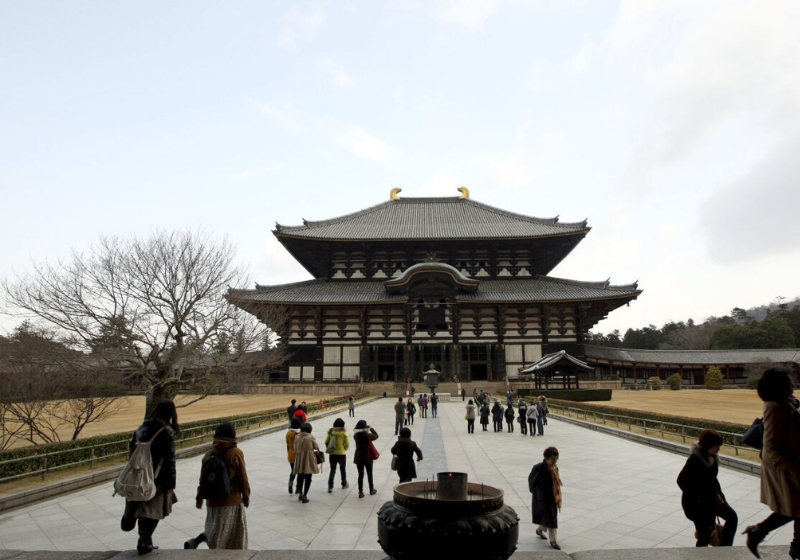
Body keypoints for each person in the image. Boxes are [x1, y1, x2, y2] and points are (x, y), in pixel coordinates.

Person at [742, 368, 800, 559]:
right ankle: (758, 531)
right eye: (788, 382)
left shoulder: (786, 403)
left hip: (790, 463)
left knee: (796, 507)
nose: (793, 384)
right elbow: (771, 445)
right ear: (780, 386)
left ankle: (795, 546)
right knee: (793, 507)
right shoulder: (774, 407)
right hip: (786, 467)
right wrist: (791, 466)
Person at [121, 399, 178, 556]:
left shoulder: (140, 429)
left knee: (141, 506)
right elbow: (170, 459)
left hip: (139, 475)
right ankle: (145, 539)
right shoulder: (166, 431)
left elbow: (132, 453)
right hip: (156, 477)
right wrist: (171, 483)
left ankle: (140, 531)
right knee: (153, 510)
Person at [186, 422, 250, 550]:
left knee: (215, 530)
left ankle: (200, 539)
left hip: (212, 501)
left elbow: (202, 480)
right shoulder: (235, 453)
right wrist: (246, 497)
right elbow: (243, 479)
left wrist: (199, 498)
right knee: (233, 535)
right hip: (231, 500)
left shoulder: (209, 454)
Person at [677, 429, 737, 547]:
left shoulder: (712, 457)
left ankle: (725, 548)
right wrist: (698, 497)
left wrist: (721, 497)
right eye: (716, 446)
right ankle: (701, 555)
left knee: (732, 517)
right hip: (697, 506)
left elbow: (713, 480)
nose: (718, 449)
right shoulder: (694, 460)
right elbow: (681, 481)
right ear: (708, 445)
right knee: (705, 535)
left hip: (712, 500)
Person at [528, 446, 562, 550]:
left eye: (556, 459)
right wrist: (538, 495)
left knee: (550, 517)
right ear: (547, 458)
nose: (554, 461)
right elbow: (531, 482)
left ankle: (539, 530)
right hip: (542, 498)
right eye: (553, 459)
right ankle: (553, 541)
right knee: (551, 518)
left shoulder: (554, 468)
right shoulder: (538, 468)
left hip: (553, 496)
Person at [293, 423, 320, 503]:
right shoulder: (310, 437)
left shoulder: (297, 437)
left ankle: (300, 493)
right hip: (308, 458)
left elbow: (295, 447)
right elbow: (316, 447)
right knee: (308, 476)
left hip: (299, 458)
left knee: (300, 475)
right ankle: (305, 495)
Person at [353, 419, 379, 498]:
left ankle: (360, 492)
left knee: (360, 475)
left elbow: (358, 432)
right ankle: (371, 489)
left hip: (358, 457)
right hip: (368, 456)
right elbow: (376, 435)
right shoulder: (368, 435)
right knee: (369, 474)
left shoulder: (355, 436)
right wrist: (371, 428)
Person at [324, 418, 349, 493]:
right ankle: (344, 483)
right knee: (343, 470)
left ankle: (330, 486)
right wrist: (344, 449)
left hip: (332, 454)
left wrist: (329, 447)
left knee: (332, 470)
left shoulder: (331, 432)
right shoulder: (344, 433)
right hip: (341, 454)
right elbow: (347, 444)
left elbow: (326, 441)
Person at [285, 417, 302, 494]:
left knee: (293, 471)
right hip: (299, 455)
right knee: (300, 472)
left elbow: (287, 444)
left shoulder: (288, 434)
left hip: (291, 454)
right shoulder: (300, 434)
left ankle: (291, 482)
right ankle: (298, 488)